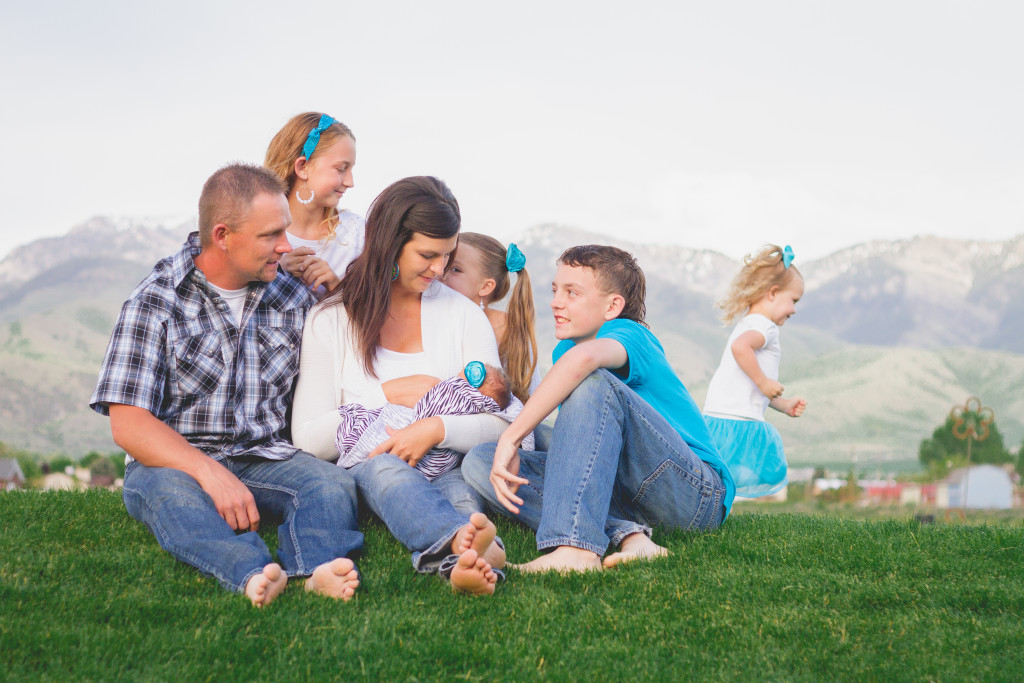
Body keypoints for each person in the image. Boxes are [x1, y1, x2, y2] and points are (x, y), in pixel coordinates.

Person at [90, 163, 363, 607]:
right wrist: (208, 472)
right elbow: (129, 424)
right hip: (173, 463)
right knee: (175, 502)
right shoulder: (156, 300)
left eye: (285, 231)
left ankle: (314, 570)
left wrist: (334, 297)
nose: (285, 246)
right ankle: (251, 573)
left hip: (265, 455)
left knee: (331, 486)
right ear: (223, 236)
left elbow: (348, 368)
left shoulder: (294, 297)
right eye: (270, 235)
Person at [291, 176, 508, 595]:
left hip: (447, 460)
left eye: (448, 256)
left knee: (461, 492)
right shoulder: (331, 320)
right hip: (376, 468)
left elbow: (501, 423)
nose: (440, 270)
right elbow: (308, 439)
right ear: (390, 245)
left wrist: (435, 429)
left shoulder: (463, 315)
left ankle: (465, 562)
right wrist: (386, 395)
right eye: (427, 255)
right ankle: (464, 546)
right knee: (386, 469)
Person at [462, 244, 736, 572]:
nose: (556, 302)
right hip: (626, 494)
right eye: (555, 290)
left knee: (591, 381)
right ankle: (632, 536)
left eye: (572, 292)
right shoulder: (566, 350)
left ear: (612, 306)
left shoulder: (631, 335)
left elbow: (586, 361)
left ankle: (575, 551)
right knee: (480, 460)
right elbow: (584, 448)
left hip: (693, 495)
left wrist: (512, 438)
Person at [702, 244, 807, 497]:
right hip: (736, 420)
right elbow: (741, 348)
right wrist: (764, 383)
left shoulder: (748, 322)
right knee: (756, 472)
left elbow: (748, 383)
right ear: (772, 293)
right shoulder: (765, 327)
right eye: (793, 300)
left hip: (720, 416)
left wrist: (781, 404)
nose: (794, 309)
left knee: (717, 479)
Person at [335, 361, 534, 479]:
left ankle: (465, 533)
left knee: (459, 490)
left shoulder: (460, 394)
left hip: (441, 455)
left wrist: (433, 428)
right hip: (399, 448)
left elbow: (511, 421)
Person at [264, 112, 363, 299]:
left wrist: (336, 286)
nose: (350, 182)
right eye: (341, 169)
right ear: (302, 167)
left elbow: (374, 313)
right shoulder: (259, 231)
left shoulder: (358, 233)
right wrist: (277, 272)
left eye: (351, 169)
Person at [442, 233, 538, 402]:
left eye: (455, 269)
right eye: (444, 263)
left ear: (486, 286)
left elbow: (531, 396)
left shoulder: (508, 331)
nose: (440, 274)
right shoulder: (434, 316)